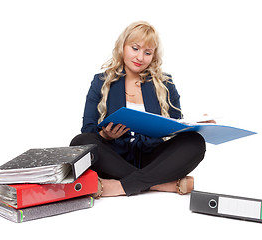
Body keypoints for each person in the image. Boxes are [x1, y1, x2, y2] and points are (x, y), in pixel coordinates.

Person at [70, 21, 209, 198]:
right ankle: (159, 184)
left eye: (147, 52)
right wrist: (105, 135)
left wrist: (196, 125)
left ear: (153, 56)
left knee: (194, 141)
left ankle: (120, 186)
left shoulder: (165, 83)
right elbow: (87, 128)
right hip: (114, 157)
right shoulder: (101, 81)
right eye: (135, 48)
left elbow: (176, 124)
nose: (140, 57)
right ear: (123, 47)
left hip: (153, 157)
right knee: (80, 142)